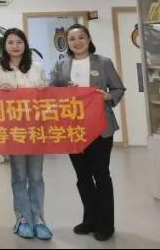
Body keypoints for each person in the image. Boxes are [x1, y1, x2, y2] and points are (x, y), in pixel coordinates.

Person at [50, 23, 125, 242]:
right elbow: (52, 92)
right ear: (67, 43)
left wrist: (107, 96)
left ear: (89, 39)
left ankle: (106, 225)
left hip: (101, 128)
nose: (77, 42)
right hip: (74, 129)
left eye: (81, 37)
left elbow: (118, 89)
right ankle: (90, 220)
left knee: (101, 175)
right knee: (82, 177)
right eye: (72, 39)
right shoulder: (61, 64)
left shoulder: (103, 62)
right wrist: (65, 91)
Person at [0, 28, 52, 240]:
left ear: (25, 44)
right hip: (13, 130)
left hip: (36, 130)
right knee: (18, 175)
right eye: (10, 42)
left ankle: (39, 218)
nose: (15, 46)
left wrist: (45, 90)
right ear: (4, 46)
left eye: (19, 42)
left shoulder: (37, 67)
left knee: (36, 176)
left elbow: (48, 100)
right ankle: (23, 218)